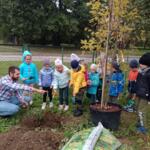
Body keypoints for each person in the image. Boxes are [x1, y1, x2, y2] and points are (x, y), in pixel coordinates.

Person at [136, 53, 150, 134]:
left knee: (142, 111)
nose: (140, 65)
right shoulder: (141, 72)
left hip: (145, 96)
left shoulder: (148, 74)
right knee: (137, 109)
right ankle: (139, 123)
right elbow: (138, 83)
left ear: (147, 64)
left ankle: (143, 127)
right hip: (139, 94)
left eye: (142, 63)